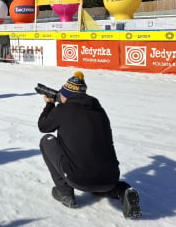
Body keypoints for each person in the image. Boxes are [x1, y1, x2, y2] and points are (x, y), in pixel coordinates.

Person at [38, 71, 142, 219]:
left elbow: (43, 126)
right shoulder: (99, 110)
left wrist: (49, 105)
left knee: (46, 140)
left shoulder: (63, 110)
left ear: (67, 95)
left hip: (79, 178)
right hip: (110, 177)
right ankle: (122, 190)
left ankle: (65, 193)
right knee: (98, 183)